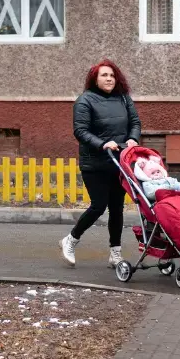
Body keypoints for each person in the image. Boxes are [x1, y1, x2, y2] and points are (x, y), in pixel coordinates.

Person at [61, 59, 141, 268]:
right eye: (104, 75)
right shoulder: (85, 101)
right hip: (95, 163)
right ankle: (71, 240)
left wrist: (133, 138)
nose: (109, 79)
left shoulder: (123, 99)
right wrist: (103, 143)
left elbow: (135, 122)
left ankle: (115, 253)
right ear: (95, 79)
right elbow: (80, 131)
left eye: (112, 75)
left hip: (119, 161)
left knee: (117, 209)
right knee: (98, 206)